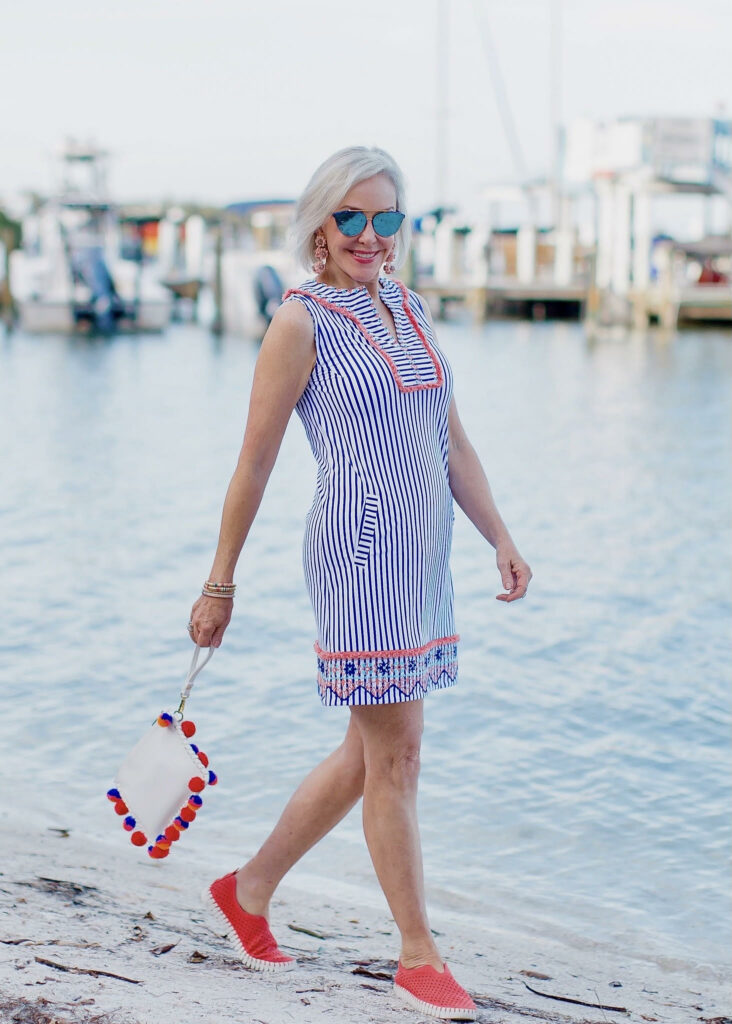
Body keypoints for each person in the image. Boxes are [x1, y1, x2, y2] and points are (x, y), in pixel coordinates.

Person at [189, 146, 532, 1021]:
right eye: (351, 217)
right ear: (319, 225)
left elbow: (452, 443)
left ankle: (250, 888)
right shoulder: (299, 322)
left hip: (424, 557)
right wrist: (220, 582)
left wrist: (499, 535)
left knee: (366, 752)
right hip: (358, 557)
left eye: (386, 218)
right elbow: (254, 462)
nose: (369, 235)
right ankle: (418, 954)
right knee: (398, 756)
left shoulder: (408, 308)